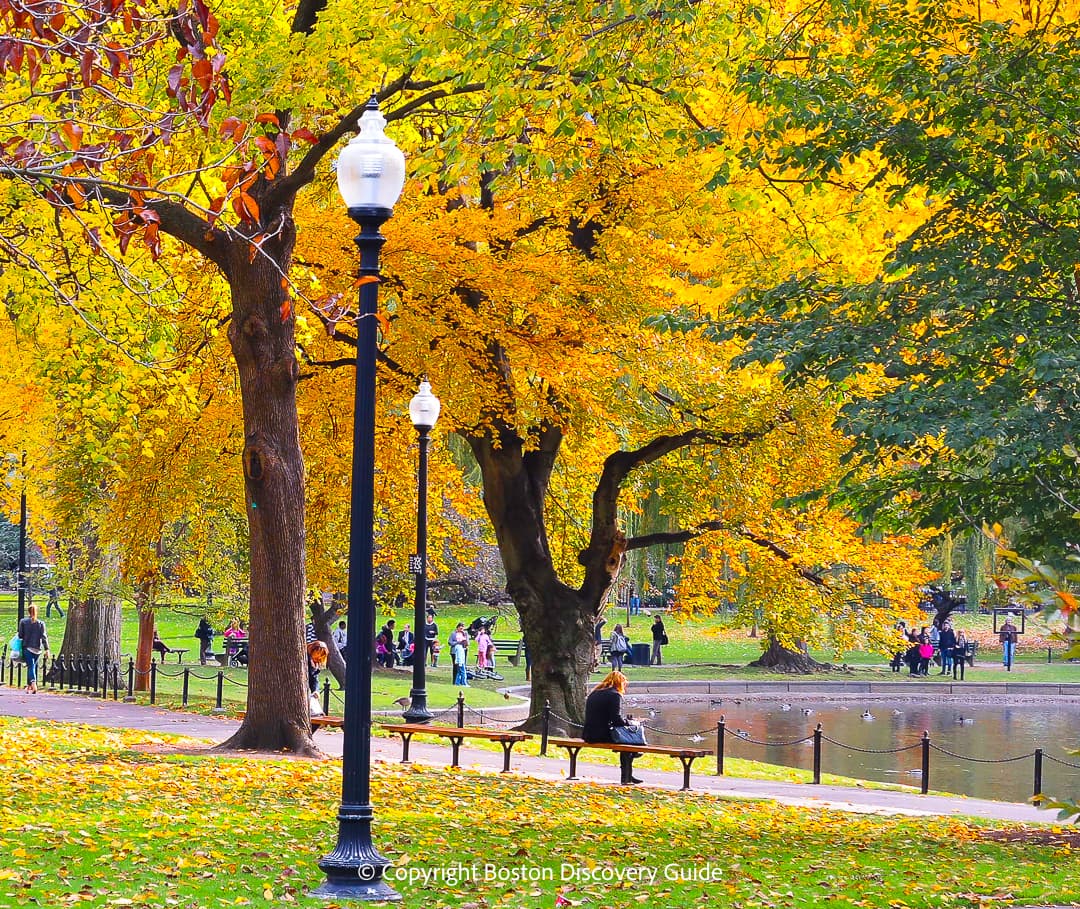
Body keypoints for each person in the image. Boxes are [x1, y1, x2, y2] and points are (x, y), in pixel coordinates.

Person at [583, 670, 642, 784]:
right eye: (624, 684)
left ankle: (628, 774)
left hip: (588, 734)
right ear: (620, 683)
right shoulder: (615, 695)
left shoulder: (595, 693)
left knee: (626, 744)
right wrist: (631, 723)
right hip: (601, 735)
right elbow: (616, 720)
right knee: (628, 742)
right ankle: (626, 776)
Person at [17, 603, 48, 694]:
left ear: (28, 611)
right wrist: (47, 649)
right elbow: (44, 636)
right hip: (38, 649)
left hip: (27, 647)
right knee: (33, 666)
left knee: (31, 666)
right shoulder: (41, 623)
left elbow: (20, 635)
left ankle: (33, 684)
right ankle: (29, 686)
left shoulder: (23, 622)